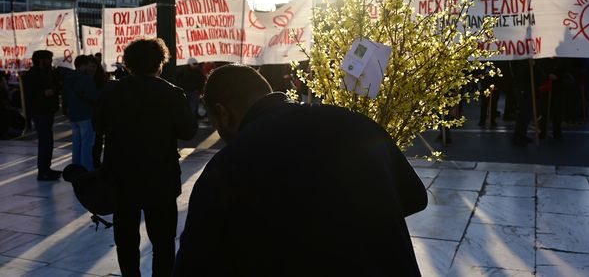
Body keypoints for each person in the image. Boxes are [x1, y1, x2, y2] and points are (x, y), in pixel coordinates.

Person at [174, 64, 428, 277]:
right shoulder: (353, 122)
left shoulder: (227, 166)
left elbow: (195, 263)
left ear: (222, 114)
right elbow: (415, 197)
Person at [93, 38, 197, 277]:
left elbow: (97, 124)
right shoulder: (171, 93)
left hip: (121, 176)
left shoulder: (112, 91)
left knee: (126, 239)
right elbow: (188, 132)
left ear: (128, 64)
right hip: (160, 177)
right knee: (163, 241)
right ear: (160, 64)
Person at [22, 50, 63, 181]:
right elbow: (32, 94)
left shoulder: (47, 73)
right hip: (40, 112)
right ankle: (43, 171)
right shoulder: (33, 75)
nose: (51, 61)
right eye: (49, 59)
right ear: (41, 60)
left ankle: (46, 168)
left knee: (48, 141)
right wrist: (45, 93)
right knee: (45, 141)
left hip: (47, 111)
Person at [62, 55, 99, 171]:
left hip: (73, 115)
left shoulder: (68, 77)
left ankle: (76, 167)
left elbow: (65, 96)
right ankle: (87, 169)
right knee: (87, 144)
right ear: (83, 65)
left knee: (77, 143)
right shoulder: (85, 79)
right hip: (85, 114)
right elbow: (92, 96)